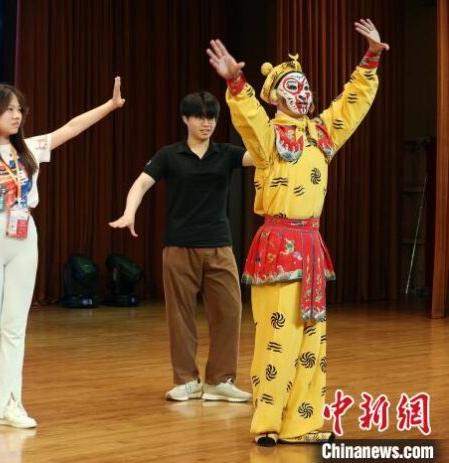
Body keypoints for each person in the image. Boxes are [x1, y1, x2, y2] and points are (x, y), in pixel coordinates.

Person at [206, 19, 388, 445]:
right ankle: (267, 423)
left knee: (312, 338)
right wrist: (236, 83)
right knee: (277, 337)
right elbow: (250, 119)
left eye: (305, 86)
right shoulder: (269, 138)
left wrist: (371, 58)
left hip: (311, 246)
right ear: (275, 97)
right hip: (279, 245)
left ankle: (302, 424)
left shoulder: (321, 134)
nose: (302, 93)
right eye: (293, 87)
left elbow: (351, 104)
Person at [0, 78, 125, 428]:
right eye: (9, 109)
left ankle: (12, 403)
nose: (17, 115)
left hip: (23, 234)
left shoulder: (29, 150)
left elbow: (71, 128)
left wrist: (109, 106)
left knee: (14, 326)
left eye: (20, 109)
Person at [110, 91, 253, 404]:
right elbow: (142, 183)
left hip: (219, 245)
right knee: (180, 316)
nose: (206, 123)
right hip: (178, 246)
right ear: (185, 119)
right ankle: (187, 381)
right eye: (199, 116)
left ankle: (220, 381)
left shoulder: (226, 153)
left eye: (211, 117)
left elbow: (259, 156)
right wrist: (130, 211)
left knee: (230, 312)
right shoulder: (169, 155)